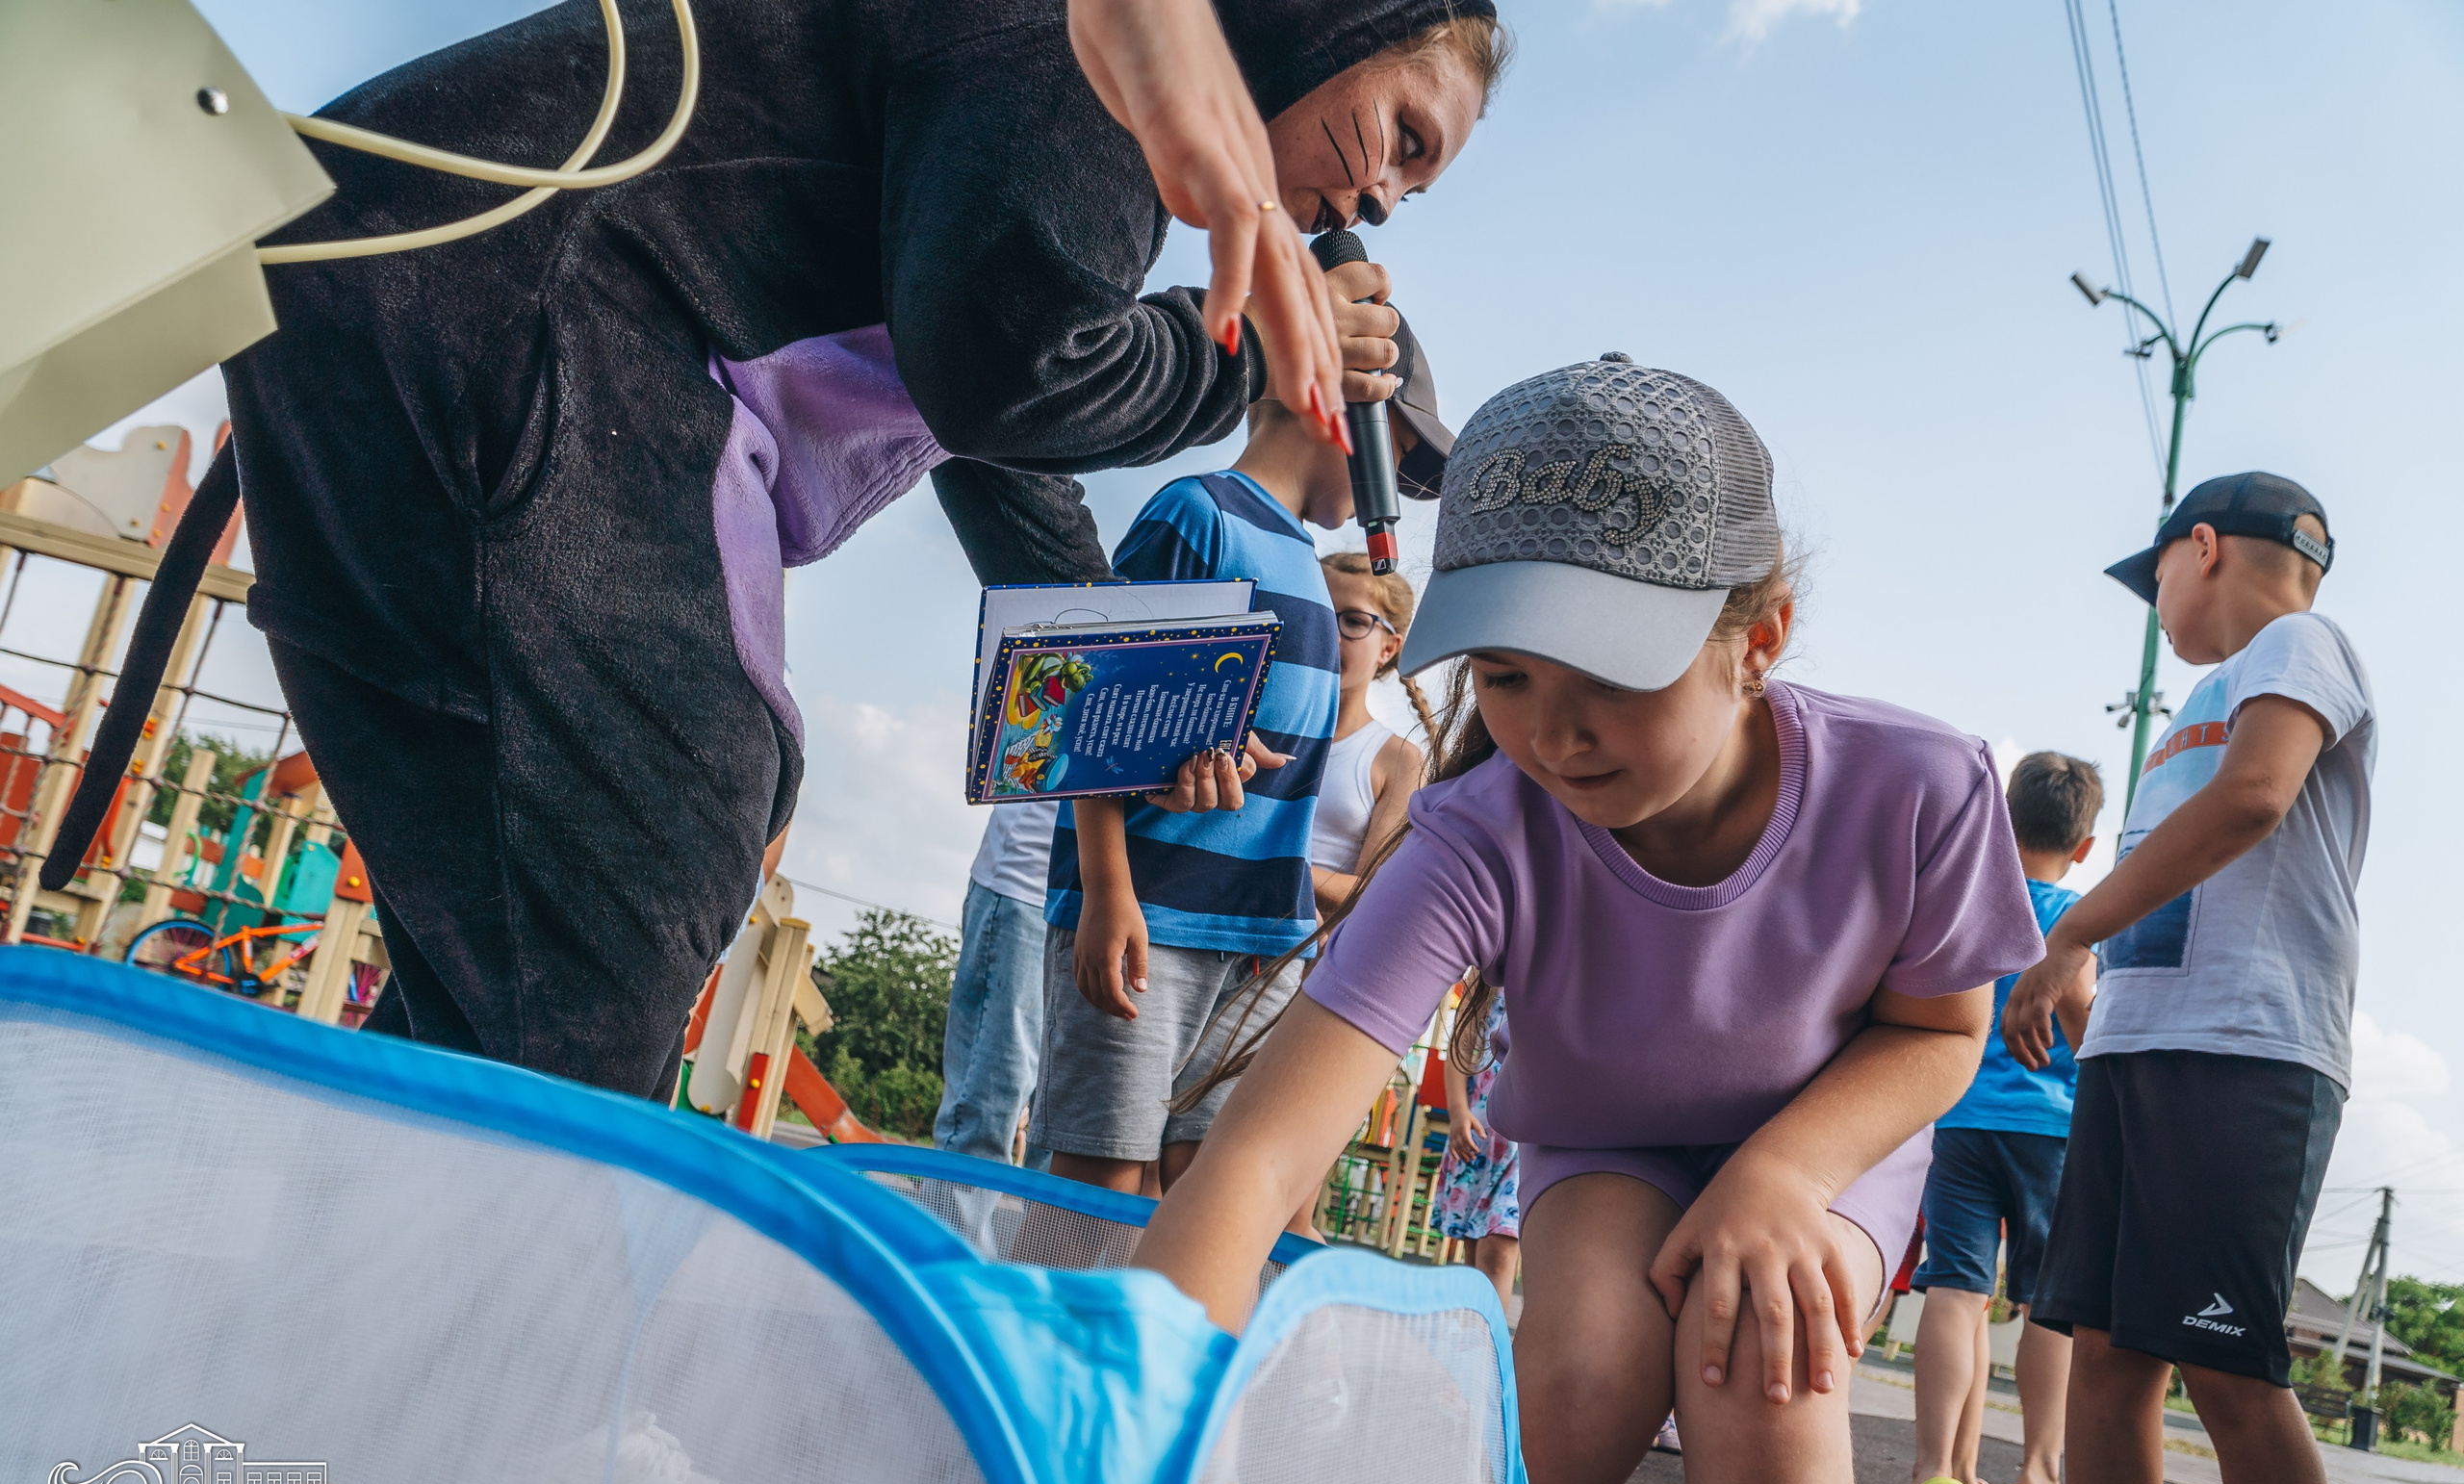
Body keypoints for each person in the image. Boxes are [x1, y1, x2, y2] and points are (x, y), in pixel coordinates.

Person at [222, 0, 1507, 1099]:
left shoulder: (1090, 101)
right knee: (655, 844)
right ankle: (476, 1349)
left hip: (416, 311)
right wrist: (1233, 352)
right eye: (1405, 134)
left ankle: (357, 1326)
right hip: (509, 329)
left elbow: (994, 442)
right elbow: (1005, 375)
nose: (1384, 197)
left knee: (507, 972)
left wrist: (1133, 724)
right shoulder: (1096, 53)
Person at [1134, 356, 2044, 1484]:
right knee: (1581, 1368)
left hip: (1828, 1138)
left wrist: (1782, 1173)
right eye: (1505, 678)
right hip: (1606, 1138)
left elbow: (1944, 1033)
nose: (1556, 735)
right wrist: (1124, 1413)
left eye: (1611, 673)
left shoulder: (1920, 785)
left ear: (1759, 636)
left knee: (1763, 1361)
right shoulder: (1478, 826)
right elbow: (1266, 1149)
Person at [2007, 473, 2374, 1484]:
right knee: (2110, 1364)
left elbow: (2257, 798)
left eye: (2156, 571)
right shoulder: (2192, 707)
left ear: (2201, 547)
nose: (2154, 600)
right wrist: (2089, 978)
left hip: (2245, 1053)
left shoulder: (2300, 645)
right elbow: (2176, 872)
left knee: (2227, 1367)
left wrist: (2069, 932)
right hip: (2139, 1052)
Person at [1031, 323, 1451, 1202]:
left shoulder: (1304, 559)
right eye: (1398, 457)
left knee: (1205, 1185)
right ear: (1349, 411)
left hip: (1258, 944)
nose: (1396, 498)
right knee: (1102, 1173)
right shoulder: (1200, 515)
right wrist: (1109, 895)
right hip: (1155, 914)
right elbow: (1095, 709)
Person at [1872, 751, 2103, 1484]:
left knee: (1957, 1289)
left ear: (2001, 822)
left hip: (1960, 1120)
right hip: (2054, 1133)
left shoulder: (1973, 906)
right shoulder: (2078, 922)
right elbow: (2084, 1024)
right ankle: (2039, 1470)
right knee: (2048, 1301)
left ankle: (1938, 1469)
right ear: (2082, 846)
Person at [1307, 550, 1440, 915]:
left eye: (1353, 621)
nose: (1328, 634)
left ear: (1389, 647)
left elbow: (1375, 890)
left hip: (1299, 964)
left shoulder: (1397, 759)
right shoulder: (1253, 729)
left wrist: (1274, 870)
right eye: (1317, 612)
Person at [935, 801, 1062, 1169]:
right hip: (1031, 884)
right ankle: (951, 1226)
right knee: (987, 1104)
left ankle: (1049, 1232)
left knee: (1070, 1132)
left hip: (1134, 907)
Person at [1434, 991, 1520, 1310]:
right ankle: (1473, 1340)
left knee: (1498, 1247)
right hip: (1481, 1140)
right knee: (1473, 1250)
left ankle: (1485, 1346)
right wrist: (1458, 1111)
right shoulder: (1489, 983)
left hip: (1526, 1145)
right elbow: (1460, 1046)